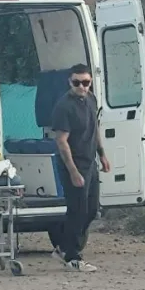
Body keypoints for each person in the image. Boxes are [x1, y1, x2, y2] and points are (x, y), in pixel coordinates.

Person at [50, 64, 111, 273]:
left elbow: (95, 129)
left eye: (85, 83)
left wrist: (102, 154)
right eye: (77, 83)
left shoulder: (91, 100)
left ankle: (63, 246)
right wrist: (73, 171)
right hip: (73, 164)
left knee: (92, 209)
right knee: (77, 209)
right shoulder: (64, 106)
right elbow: (62, 141)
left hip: (90, 161)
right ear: (70, 82)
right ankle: (73, 256)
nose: (81, 87)